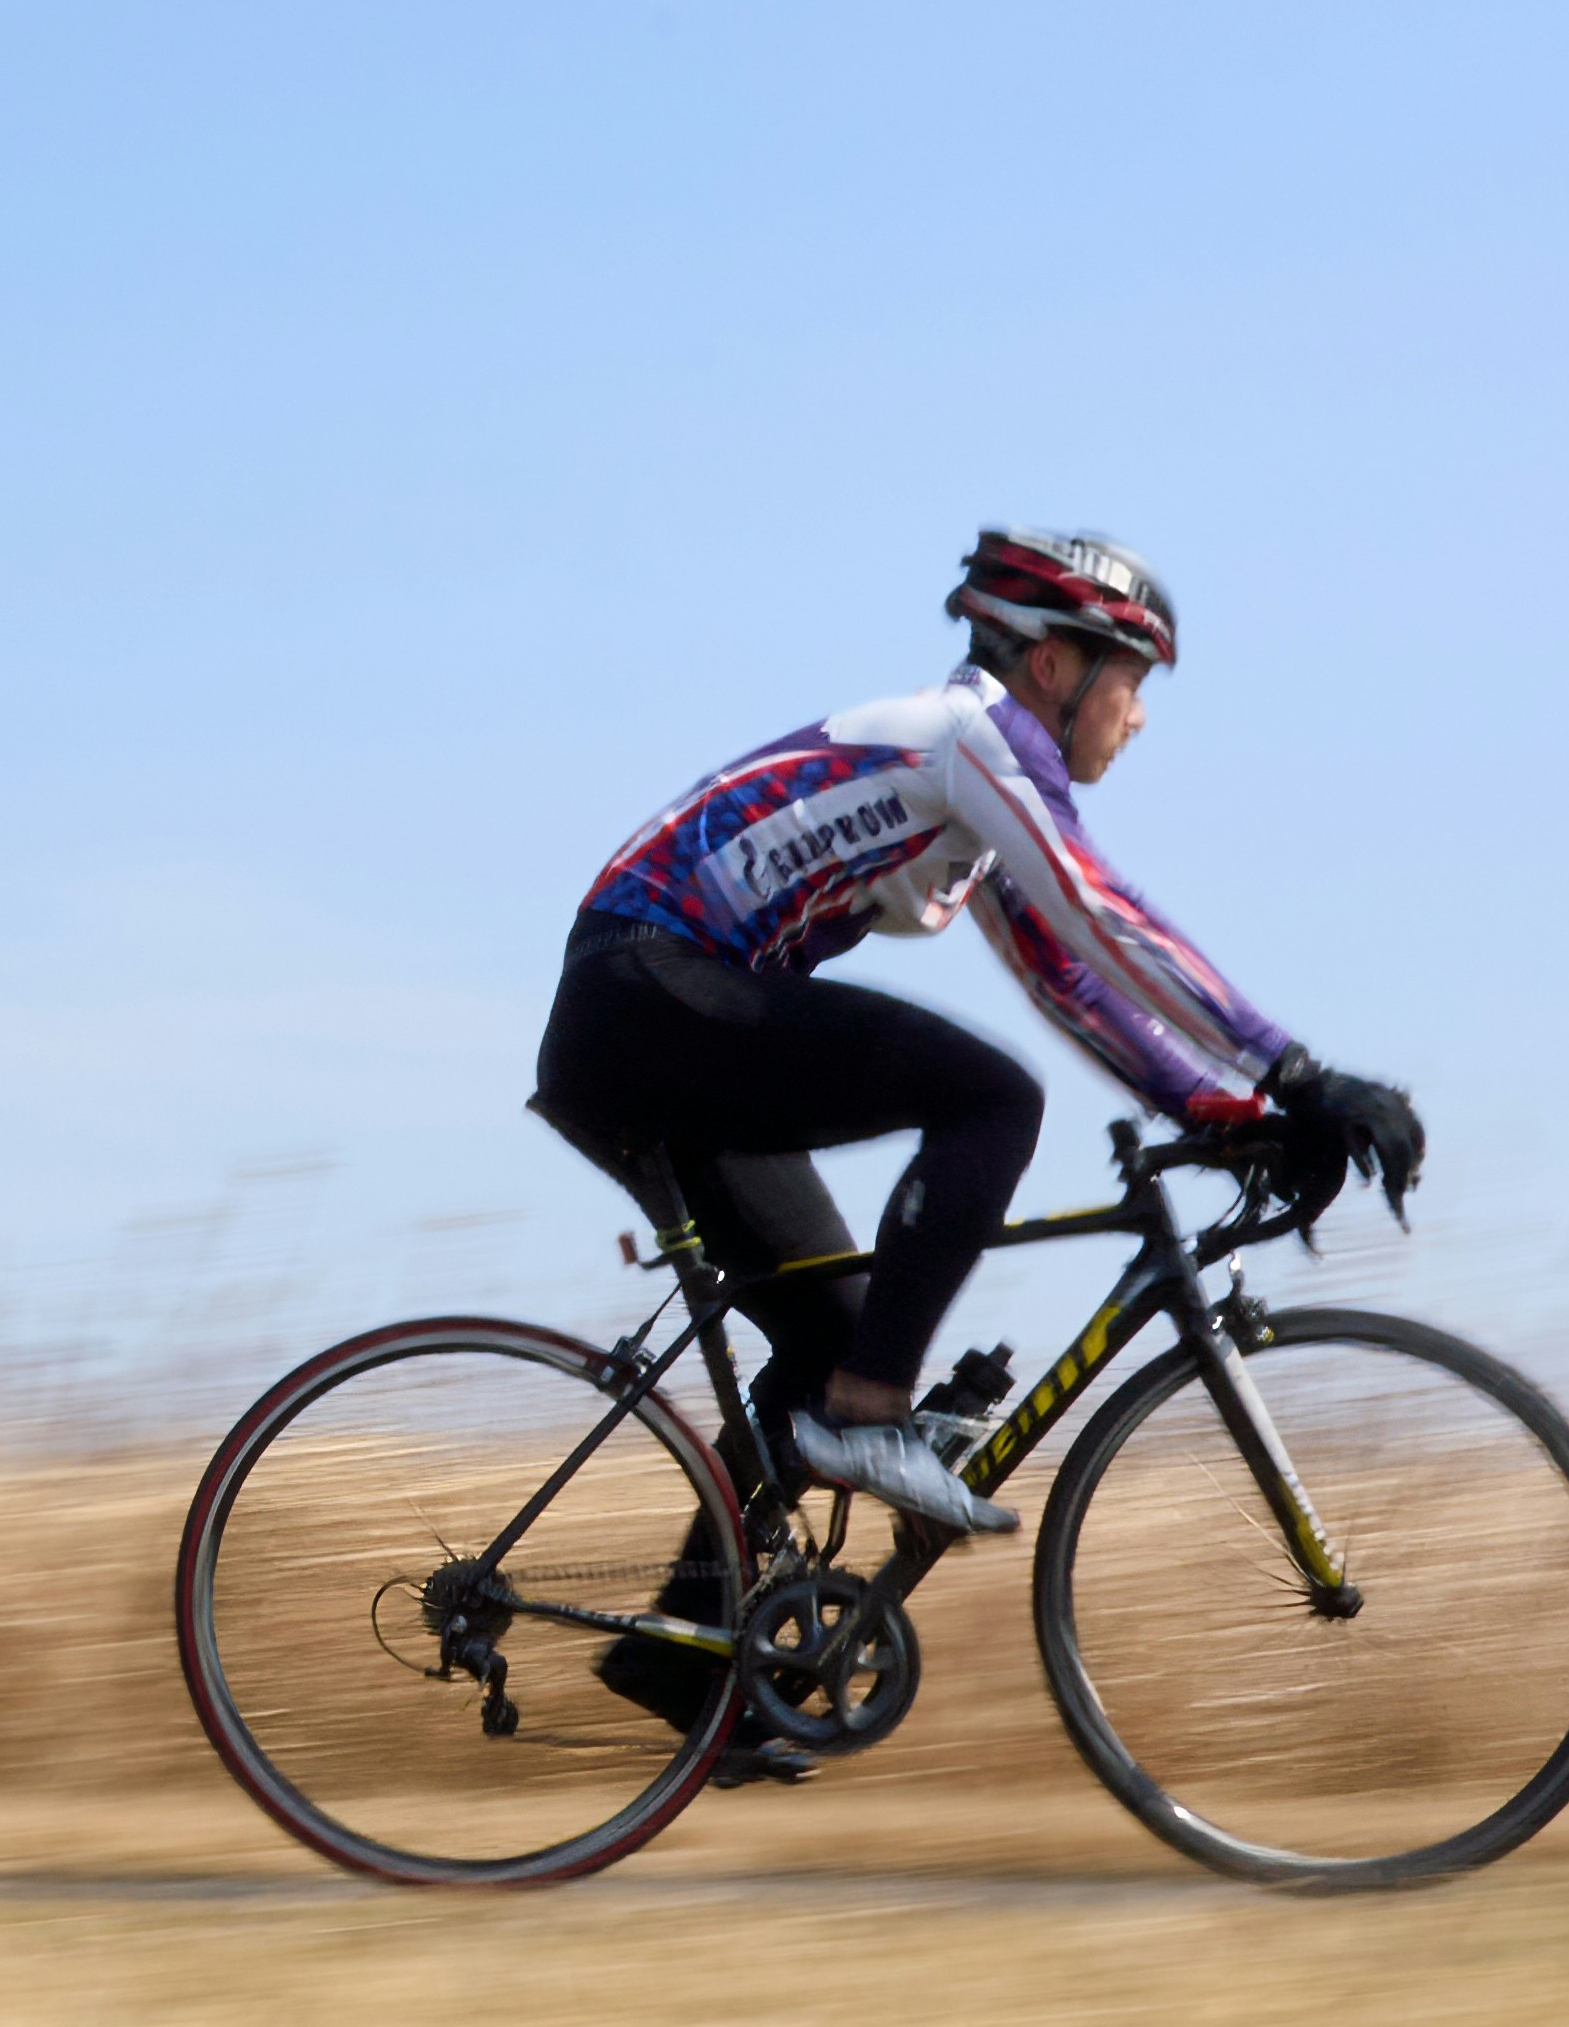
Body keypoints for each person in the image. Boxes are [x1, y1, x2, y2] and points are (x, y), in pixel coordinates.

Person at [534, 533, 1423, 1584]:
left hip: (662, 1018)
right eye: (1130, 684)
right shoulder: (974, 739)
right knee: (989, 1097)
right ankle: (873, 1422)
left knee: (834, 1340)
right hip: (645, 995)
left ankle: (693, 1680)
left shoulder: (974, 788)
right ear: (1052, 664)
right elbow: (1101, 918)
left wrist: (1215, 1111)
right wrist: (1295, 1072)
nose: (1135, 717)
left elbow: (1068, 978)